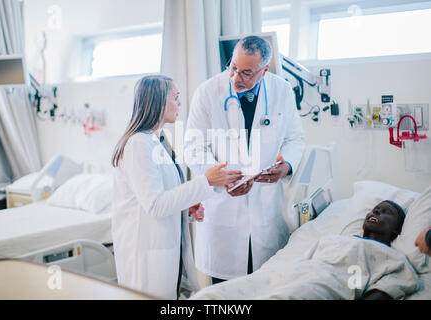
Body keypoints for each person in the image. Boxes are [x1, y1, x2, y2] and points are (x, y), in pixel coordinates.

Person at [184, 35, 305, 283]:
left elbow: (295, 138)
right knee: (226, 292)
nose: (236, 78)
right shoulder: (208, 92)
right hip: (223, 212)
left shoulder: (281, 90)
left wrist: (287, 166)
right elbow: (193, 146)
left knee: (266, 285)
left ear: (264, 71)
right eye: (233, 68)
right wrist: (217, 176)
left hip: (266, 210)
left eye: (246, 73)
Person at [111, 75, 243, 299]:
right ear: (159, 101)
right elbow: (155, 205)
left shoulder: (157, 140)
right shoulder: (138, 145)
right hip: (145, 257)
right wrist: (206, 181)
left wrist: (187, 207)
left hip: (165, 250)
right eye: (176, 98)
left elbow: (164, 196)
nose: (180, 104)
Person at [191, 200, 419, 300]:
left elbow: (382, 294)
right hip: (284, 277)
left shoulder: (394, 260)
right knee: (211, 295)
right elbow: (300, 265)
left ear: (397, 229)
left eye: (385, 212)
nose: (376, 212)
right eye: (375, 208)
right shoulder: (332, 239)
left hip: (326, 286)